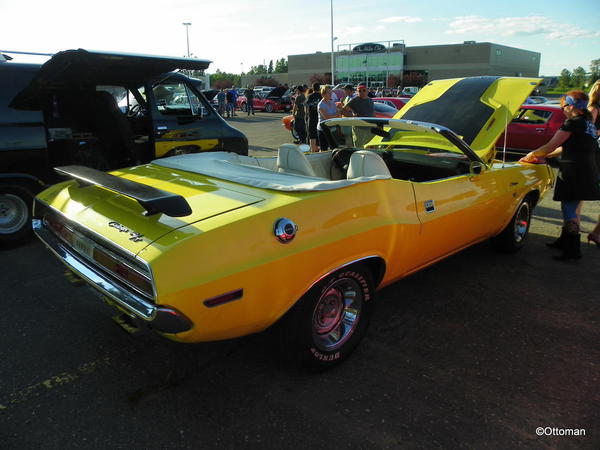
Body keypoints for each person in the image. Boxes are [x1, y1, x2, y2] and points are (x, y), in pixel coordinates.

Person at [520, 90, 600, 261]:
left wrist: (531, 155)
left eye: (563, 106)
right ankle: (564, 241)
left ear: (570, 106)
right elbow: (563, 147)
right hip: (587, 172)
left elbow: (550, 145)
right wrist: (544, 155)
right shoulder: (588, 123)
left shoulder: (572, 123)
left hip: (574, 172)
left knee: (569, 209)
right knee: (571, 206)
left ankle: (573, 250)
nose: (562, 110)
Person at [585, 80, 600, 246]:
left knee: (578, 194)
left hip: (595, 156)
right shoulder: (594, 109)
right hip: (594, 155)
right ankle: (596, 233)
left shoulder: (593, 109)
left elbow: (589, 133)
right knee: (580, 194)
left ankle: (596, 233)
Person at [343, 83, 375, 148]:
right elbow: (343, 111)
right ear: (357, 92)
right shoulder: (355, 100)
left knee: (370, 148)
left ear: (367, 91)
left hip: (370, 128)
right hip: (359, 129)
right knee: (359, 148)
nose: (361, 92)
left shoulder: (370, 100)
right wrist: (353, 116)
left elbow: (373, 114)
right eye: (359, 91)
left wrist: (376, 124)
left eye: (363, 90)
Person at [317, 85, 341, 151]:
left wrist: (337, 113)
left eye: (331, 92)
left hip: (332, 129)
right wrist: (336, 114)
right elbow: (327, 118)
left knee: (334, 148)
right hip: (323, 130)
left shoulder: (332, 102)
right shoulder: (321, 104)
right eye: (328, 92)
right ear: (323, 94)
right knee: (324, 149)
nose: (330, 94)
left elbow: (339, 115)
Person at [305, 82, 322, 152]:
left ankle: (312, 149)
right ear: (319, 88)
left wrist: (306, 116)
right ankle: (321, 149)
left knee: (312, 134)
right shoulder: (322, 96)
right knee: (320, 133)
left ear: (312, 88)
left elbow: (306, 106)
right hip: (320, 117)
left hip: (312, 117)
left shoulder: (309, 96)